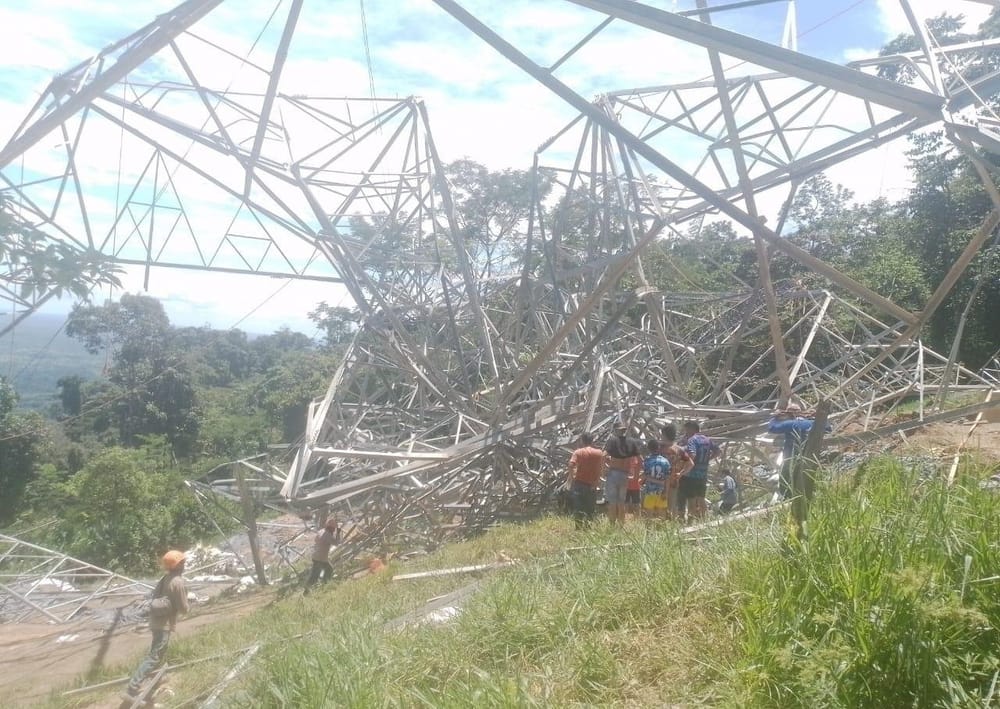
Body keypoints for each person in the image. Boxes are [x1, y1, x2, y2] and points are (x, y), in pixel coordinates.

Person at [125, 550, 189, 700]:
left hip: (155, 622)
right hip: (163, 625)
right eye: (182, 562)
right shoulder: (177, 582)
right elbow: (183, 608)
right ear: (178, 565)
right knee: (154, 656)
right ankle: (133, 687)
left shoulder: (165, 578)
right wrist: (187, 605)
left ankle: (157, 678)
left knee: (158, 653)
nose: (184, 564)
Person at [767, 404, 832, 499]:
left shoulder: (789, 424)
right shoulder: (810, 423)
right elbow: (828, 427)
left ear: (789, 414)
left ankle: (788, 497)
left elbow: (772, 428)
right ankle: (808, 494)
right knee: (806, 474)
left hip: (791, 455)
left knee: (786, 475)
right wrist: (815, 417)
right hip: (808, 455)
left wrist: (775, 417)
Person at [678, 420, 720, 521]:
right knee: (701, 498)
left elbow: (692, 454)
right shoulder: (707, 439)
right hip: (703, 473)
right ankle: (705, 520)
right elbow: (718, 451)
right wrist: (708, 459)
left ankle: (690, 522)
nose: (685, 432)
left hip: (691, 474)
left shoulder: (692, 440)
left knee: (691, 499)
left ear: (692, 429)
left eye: (687, 430)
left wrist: (685, 465)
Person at [604, 422, 642, 526]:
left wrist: (605, 469)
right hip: (625, 475)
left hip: (613, 473)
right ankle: (621, 526)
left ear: (616, 430)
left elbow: (604, 455)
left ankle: (612, 525)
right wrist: (636, 476)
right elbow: (640, 460)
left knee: (612, 502)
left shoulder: (612, 440)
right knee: (621, 502)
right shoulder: (631, 441)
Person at [566, 432, 605, 528]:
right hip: (592, 484)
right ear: (592, 441)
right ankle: (588, 527)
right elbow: (601, 468)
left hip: (579, 483)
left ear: (582, 441)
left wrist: (572, 477)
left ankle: (578, 527)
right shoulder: (599, 453)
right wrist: (597, 480)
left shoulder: (578, 452)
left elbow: (571, 464)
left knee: (579, 506)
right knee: (590, 507)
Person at [661, 423, 692, 519]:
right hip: (674, 481)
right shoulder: (679, 449)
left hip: (660, 482)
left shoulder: (660, 449)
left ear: (665, 435)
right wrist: (681, 473)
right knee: (672, 505)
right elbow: (690, 463)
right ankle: (671, 526)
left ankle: (663, 526)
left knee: (662, 506)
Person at [304, 518, 340, 594]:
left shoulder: (321, 531)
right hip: (320, 558)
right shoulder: (328, 535)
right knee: (315, 576)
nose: (334, 530)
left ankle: (323, 585)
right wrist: (338, 533)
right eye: (334, 528)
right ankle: (308, 590)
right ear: (331, 528)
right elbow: (336, 543)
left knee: (328, 569)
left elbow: (315, 540)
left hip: (316, 556)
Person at [640, 439, 671, 519]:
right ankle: (662, 530)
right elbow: (667, 479)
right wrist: (666, 493)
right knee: (661, 514)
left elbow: (645, 475)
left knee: (649, 515)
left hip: (650, 491)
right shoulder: (665, 461)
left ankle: (649, 530)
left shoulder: (647, 461)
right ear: (658, 447)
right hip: (661, 491)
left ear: (649, 448)